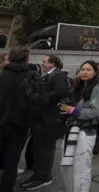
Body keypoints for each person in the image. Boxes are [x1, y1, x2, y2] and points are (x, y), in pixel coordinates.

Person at [21, 55, 71, 191]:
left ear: (53, 63)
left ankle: (44, 177)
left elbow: (61, 91)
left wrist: (40, 97)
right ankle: (38, 174)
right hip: (41, 119)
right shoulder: (47, 76)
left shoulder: (58, 75)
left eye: (45, 62)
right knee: (38, 148)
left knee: (46, 149)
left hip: (50, 120)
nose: (42, 64)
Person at [59, 60, 99, 192]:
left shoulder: (97, 88)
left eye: (89, 69)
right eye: (83, 69)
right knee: (68, 165)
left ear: (95, 72)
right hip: (72, 129)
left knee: (80, 168)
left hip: (85, 132)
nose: (84, 72)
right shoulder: (79, 86)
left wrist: (73, 111)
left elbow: (95, 111)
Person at [0, 47, 40, 192]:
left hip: (2, 120)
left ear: (10, 58)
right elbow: (37, 101)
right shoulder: (32, 76)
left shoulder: (3, 75)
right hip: (20, 123)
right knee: (13, 157)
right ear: (27, 59)